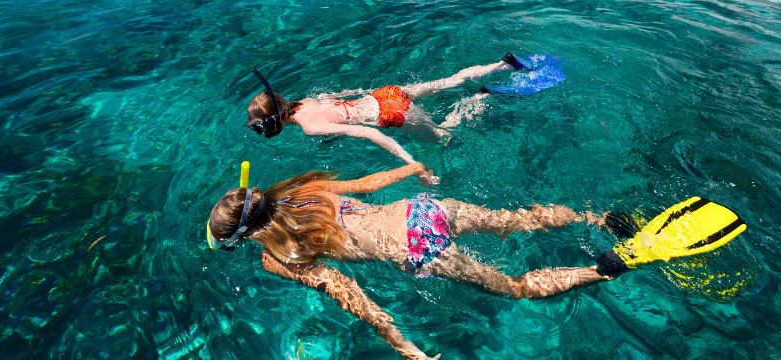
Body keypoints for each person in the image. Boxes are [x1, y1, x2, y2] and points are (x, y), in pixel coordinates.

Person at [206, 163, 633, 360]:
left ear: (245, 237)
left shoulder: (275, 257)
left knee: (516, 288)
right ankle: (595, 217)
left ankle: (601, 269)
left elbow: (343, 289)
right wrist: (412, 168)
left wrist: (404, 347)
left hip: (418, 248)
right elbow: (369, 184)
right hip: (420, 210)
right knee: (515, 222)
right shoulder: (305, 192)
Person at [246, 53, 527, 181]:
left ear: (276, 124)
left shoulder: (310, 126)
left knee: (444, 136)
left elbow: (369, 133)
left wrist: (411, 163)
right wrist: (369, 92)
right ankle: (501, 64)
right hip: (384, 95)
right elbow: (347, 94)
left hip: (391, 113)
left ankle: (480, 97)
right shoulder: (304, 102)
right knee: (448, 81)